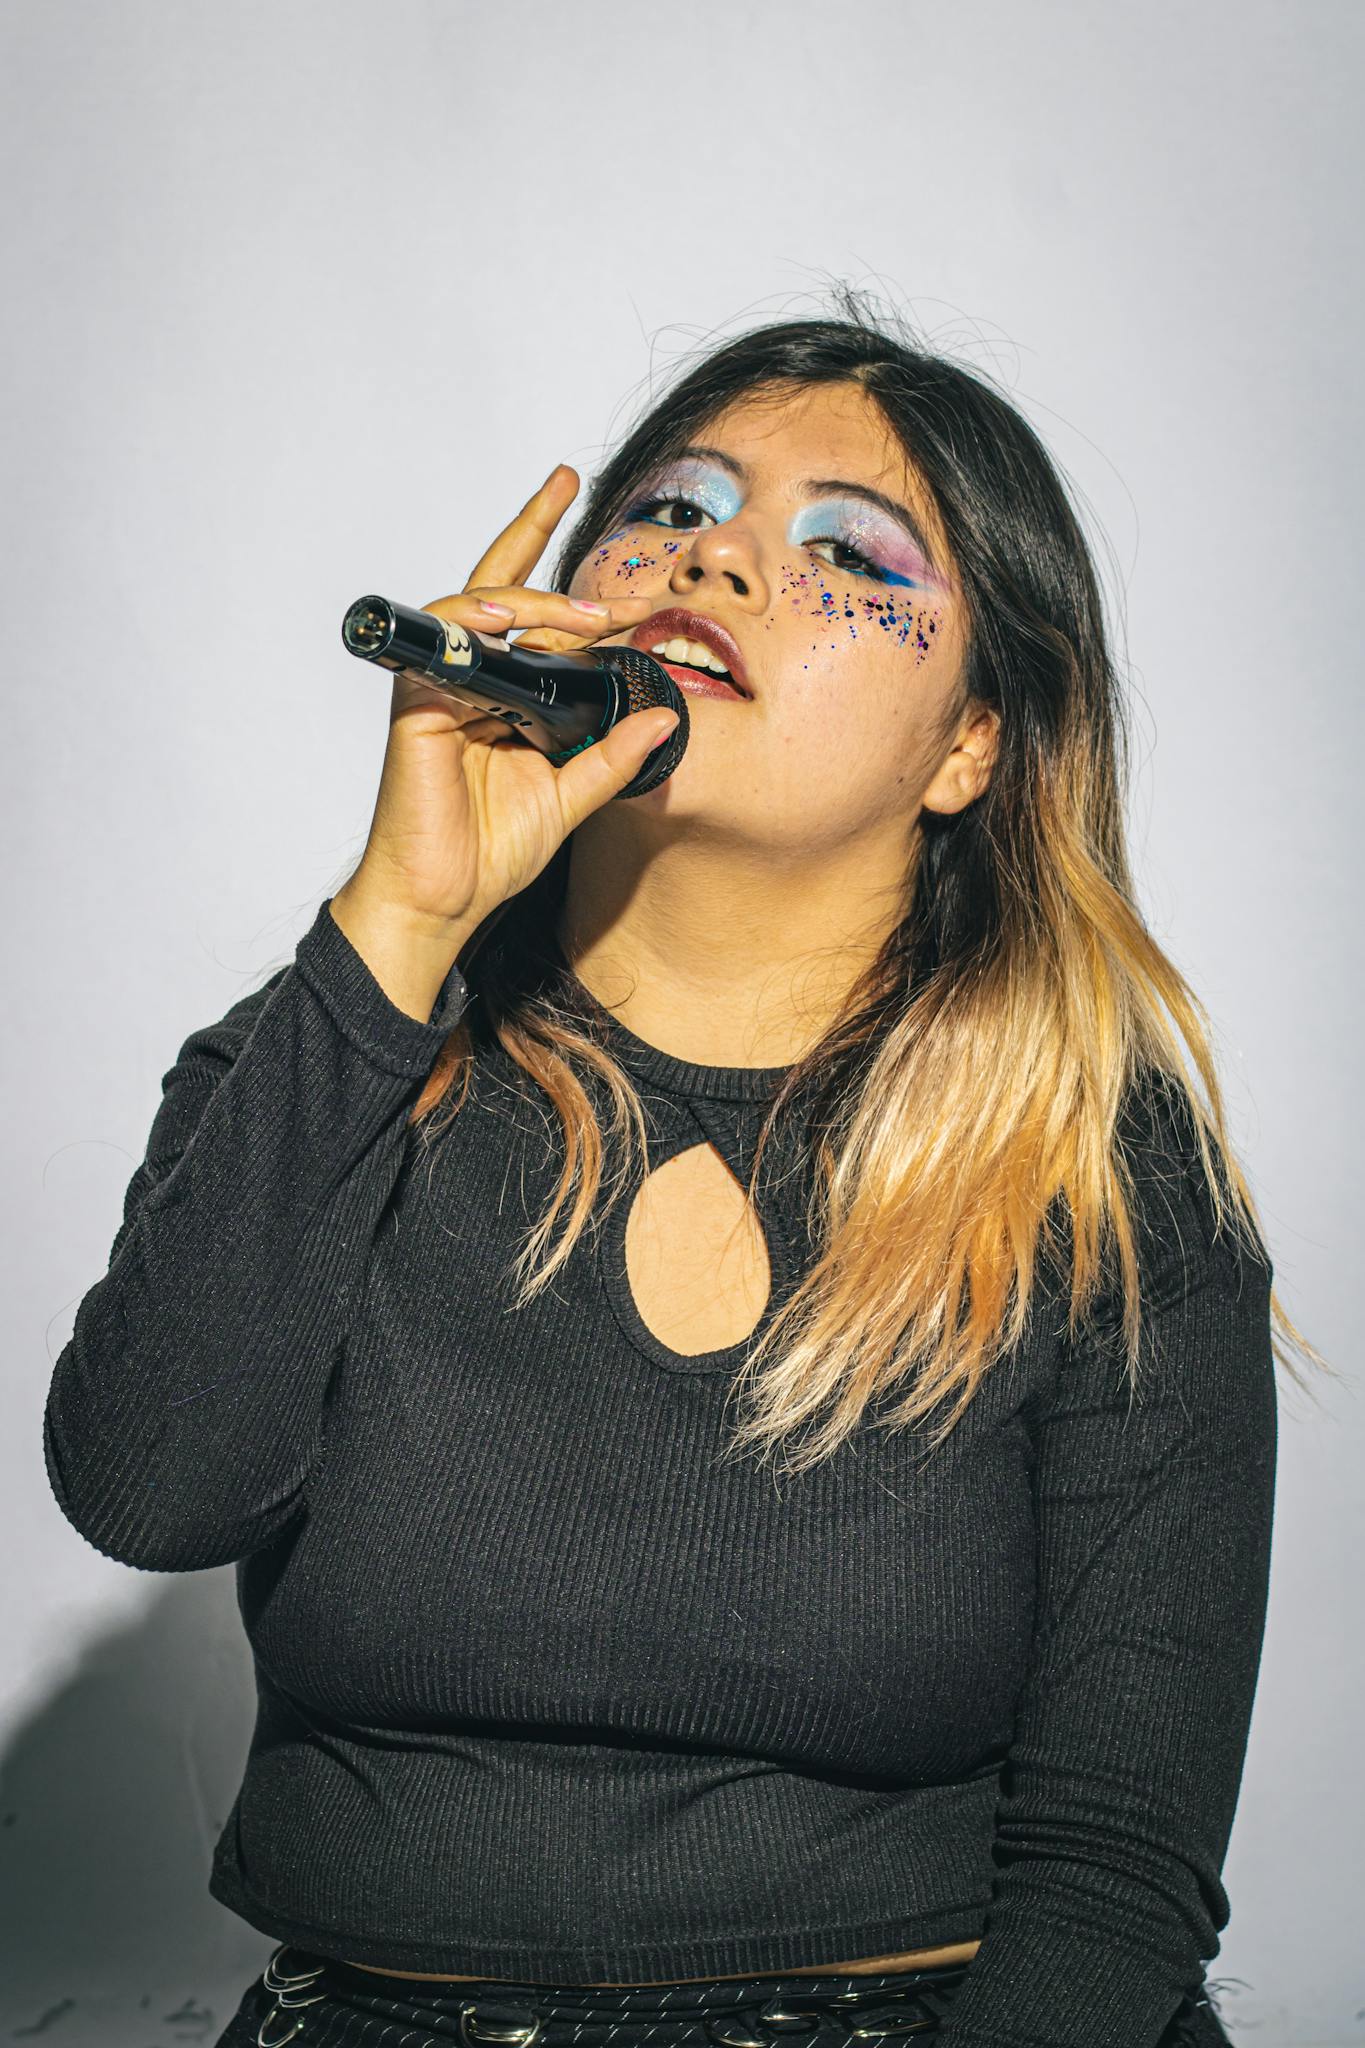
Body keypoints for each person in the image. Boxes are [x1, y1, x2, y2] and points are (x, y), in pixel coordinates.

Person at [43, 306, 1322, 2048]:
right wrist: (401, 928)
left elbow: (1112, 1873)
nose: (710, 553)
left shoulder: (1096, 1176)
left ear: (970, 746)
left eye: (841, 550)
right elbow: (147, 1493)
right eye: (666, 513)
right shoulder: (337, 1054)